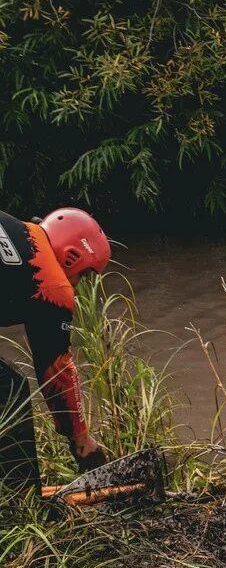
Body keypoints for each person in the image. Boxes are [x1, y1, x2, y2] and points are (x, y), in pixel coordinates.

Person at [0, 208, 110, 494]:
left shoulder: (19, 233)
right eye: (83, 274)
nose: (79, 283)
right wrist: (81, 439)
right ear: (72, 255)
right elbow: (57, 370)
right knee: (10, 393)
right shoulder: (51, 279)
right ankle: (21, 498)